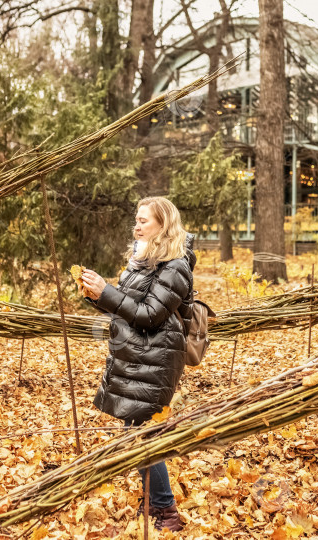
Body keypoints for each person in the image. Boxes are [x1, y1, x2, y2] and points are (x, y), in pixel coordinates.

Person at [81, 196, 196, 533]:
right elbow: (127, 309)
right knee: (137, 430)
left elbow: (149, 316)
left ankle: (166, 510)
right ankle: (154, 499)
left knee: (144, 433)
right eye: (137, 219)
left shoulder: (176, 266)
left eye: (144, 220)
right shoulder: (143, 263)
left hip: (156, 359)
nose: (137, 225)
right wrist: (97, 296)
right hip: (137, 356)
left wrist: (108, 293)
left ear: (163, 225)